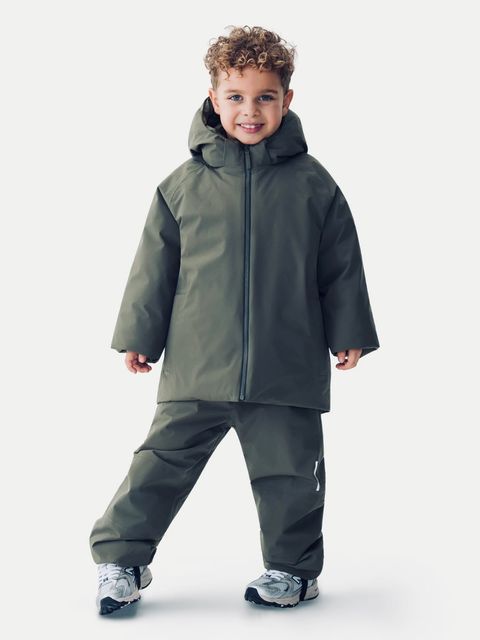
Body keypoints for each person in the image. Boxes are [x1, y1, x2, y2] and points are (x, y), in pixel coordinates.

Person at [89, 25, 380, 615]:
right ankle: (121, 559)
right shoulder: (181, 187)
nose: (250, 111)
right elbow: (154, 268)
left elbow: (340, 264)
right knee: (158, 466)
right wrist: (139, 337)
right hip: (197, 361)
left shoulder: (314, 185)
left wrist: (349, 332)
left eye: (265, 97)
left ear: (287, 100)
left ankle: (292, 570)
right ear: (213, 98)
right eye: (237, 97)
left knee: (291, 475)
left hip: (286, 363)